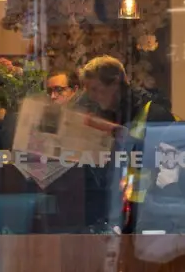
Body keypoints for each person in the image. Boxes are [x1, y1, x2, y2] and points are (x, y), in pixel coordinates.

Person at [73, 56, 174, 232]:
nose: (91, 96)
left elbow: (168, 164)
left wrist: (118, 135)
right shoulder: (102, 111)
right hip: (108, 208)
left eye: (96, 89)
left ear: (115, 83)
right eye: (88, 90)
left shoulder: (154, 113)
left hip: (146, 211)